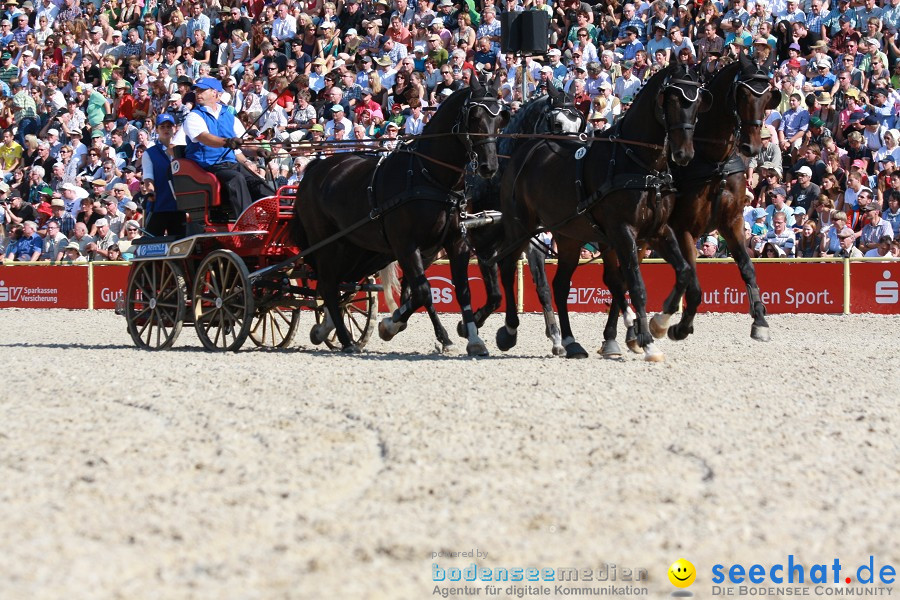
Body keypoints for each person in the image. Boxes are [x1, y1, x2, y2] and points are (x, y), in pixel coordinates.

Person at [183, 77, 274, 219]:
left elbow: (242, 144)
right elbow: (205, 138)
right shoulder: (193, 116)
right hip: (207, 167)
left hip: (230, 164)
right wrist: (227, 141)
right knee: (236, 178)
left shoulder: (229, 116)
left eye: (202, 90)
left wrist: (258, 151)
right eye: (197, 91)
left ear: (214, 93)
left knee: (258, 182)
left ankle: (282, 217)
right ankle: (247, 223)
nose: (197, 93)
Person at [142, 113, 184, 237]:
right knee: (152, 245)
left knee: (180, 245)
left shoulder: (182, 151)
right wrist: (151, 191)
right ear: (156, 129)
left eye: (169, 126)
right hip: (158, 205)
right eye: (162, 127)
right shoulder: (149, 153)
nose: (166, 129)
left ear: (175, 128)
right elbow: (148, 177)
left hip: (179, 207)